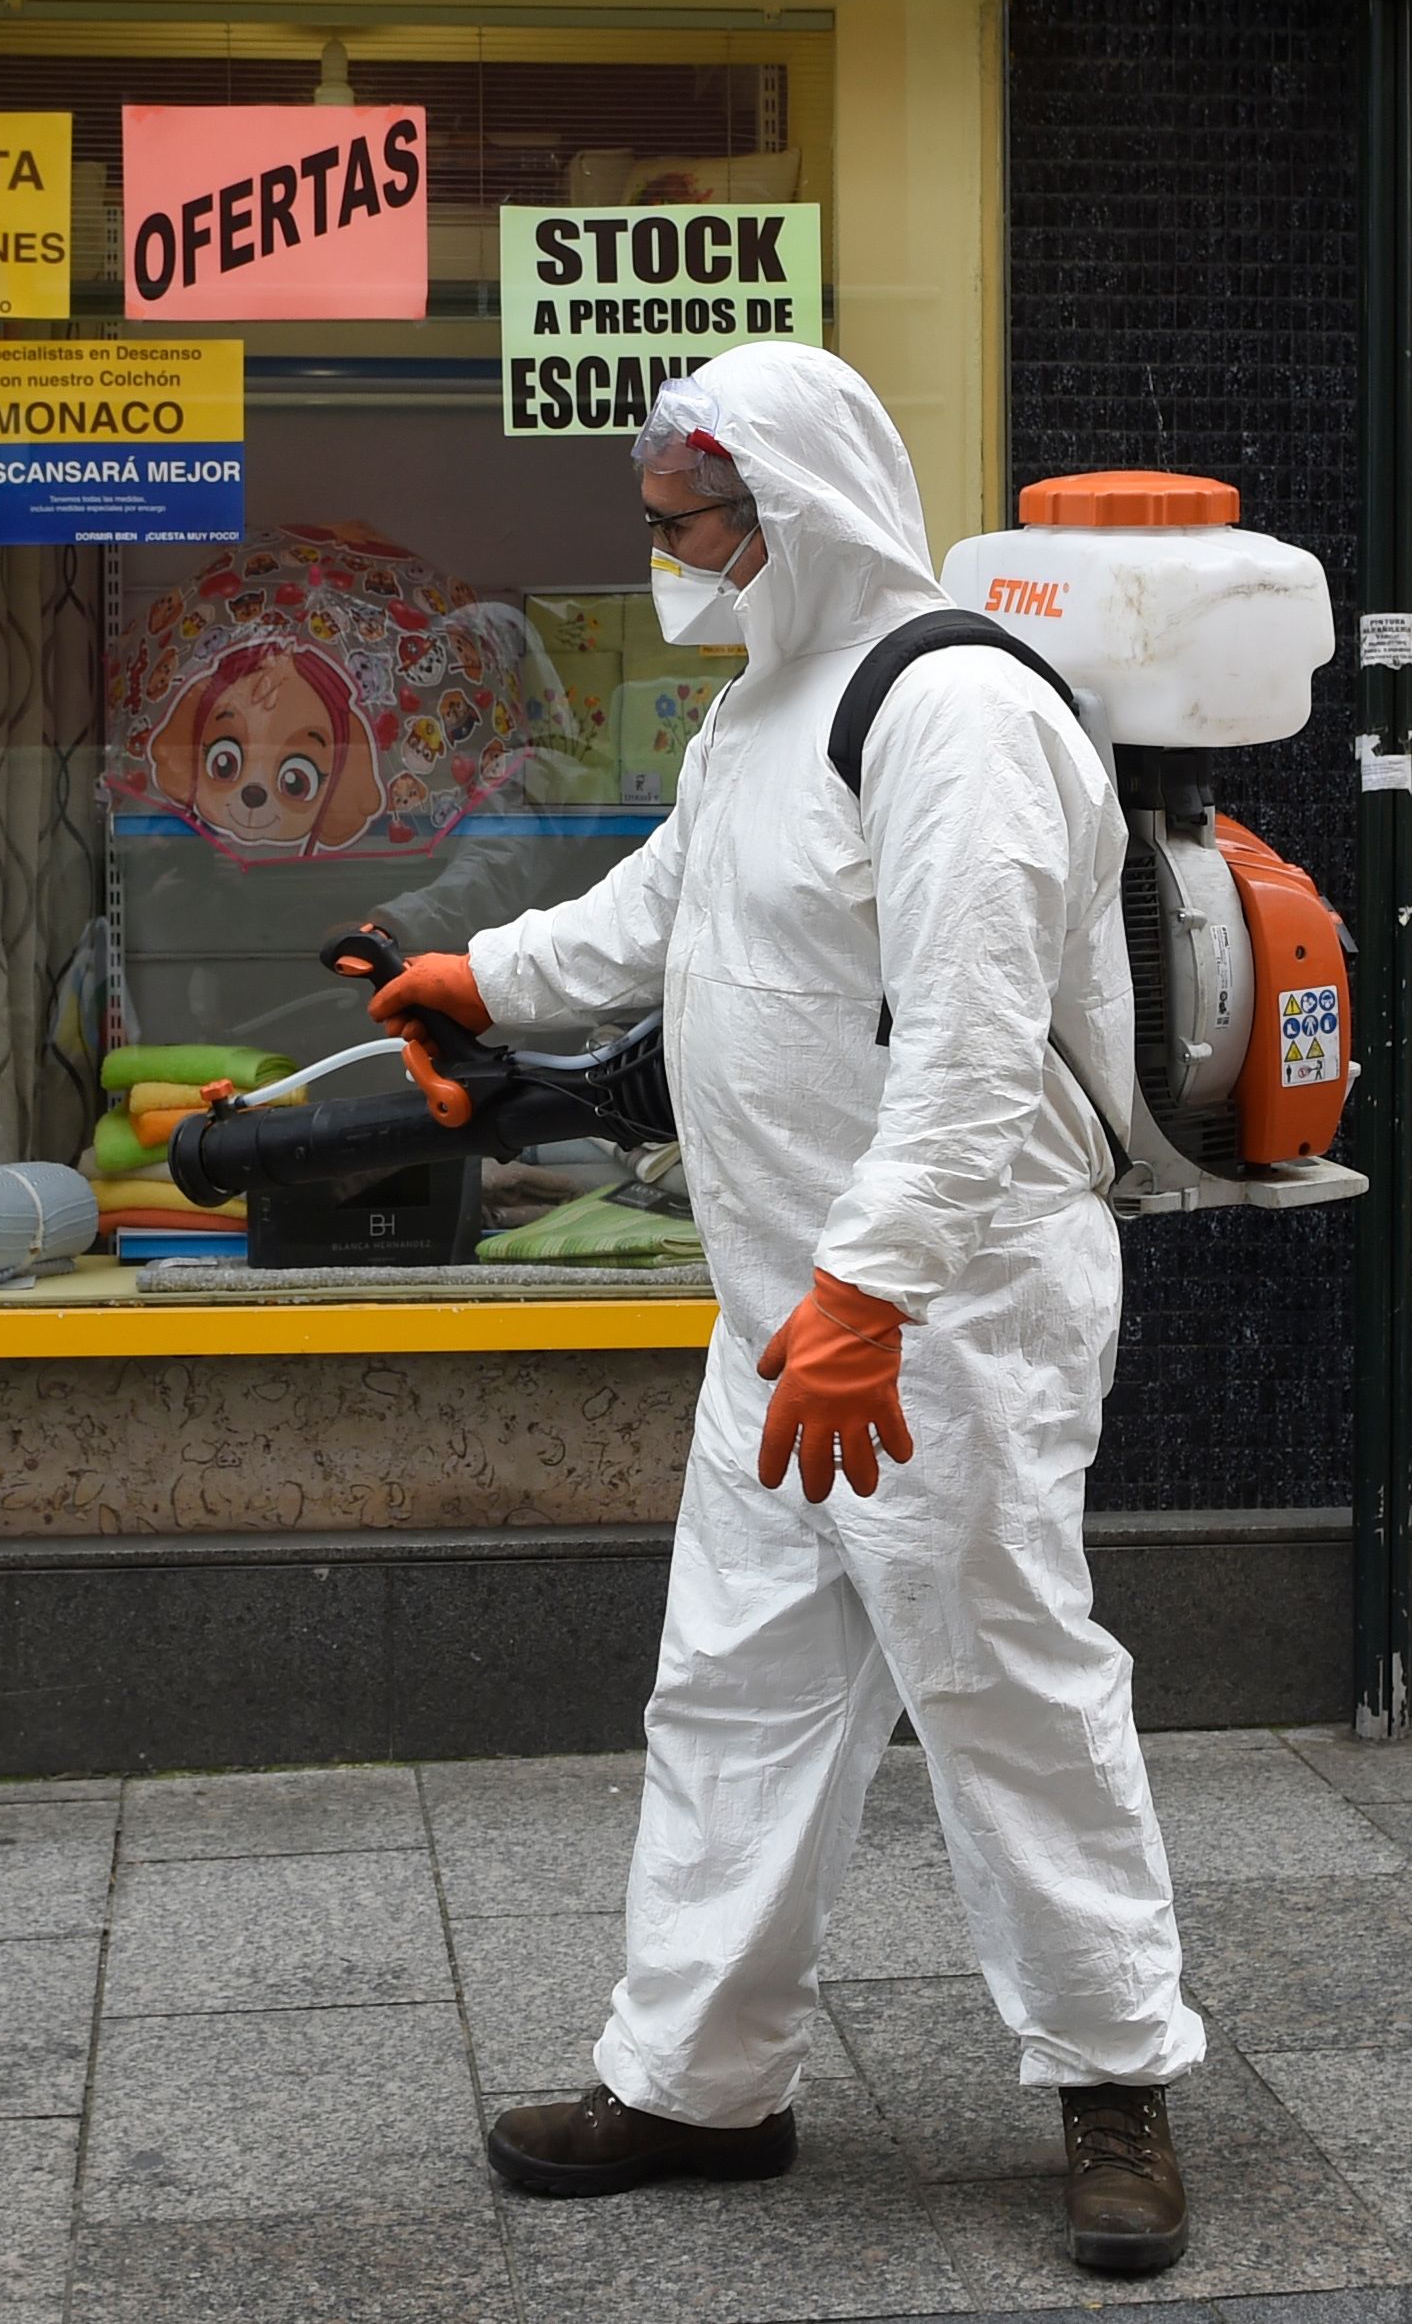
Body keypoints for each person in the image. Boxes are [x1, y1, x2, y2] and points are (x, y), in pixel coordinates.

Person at [361, 343, 1200, 2276]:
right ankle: (694, 2079)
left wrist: (871, 1291)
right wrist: (471, 980)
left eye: (687, 524)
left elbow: (982, 1043)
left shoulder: (956, 711)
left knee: (1000, 1682)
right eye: (655, 523)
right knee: (732, 1686)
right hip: (789, 1318)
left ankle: (1112, 2080)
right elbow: (665, 913)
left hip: (935, 1319)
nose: (665, 555)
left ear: (796, 508)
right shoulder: (764, 712)